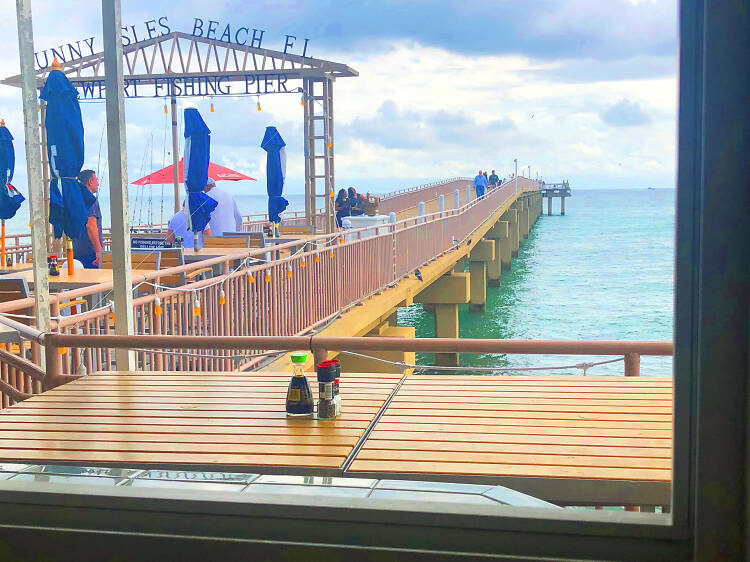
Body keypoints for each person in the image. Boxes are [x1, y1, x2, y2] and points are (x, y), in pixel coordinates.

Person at [72, 169, 103, 269]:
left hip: (77, 251)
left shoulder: (76, 200)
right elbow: (91, 225)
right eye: (96, 180)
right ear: (90, 182)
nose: (98, 184)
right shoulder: (90, 199)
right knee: (95, 282)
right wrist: (98, 250)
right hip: (91, 253)